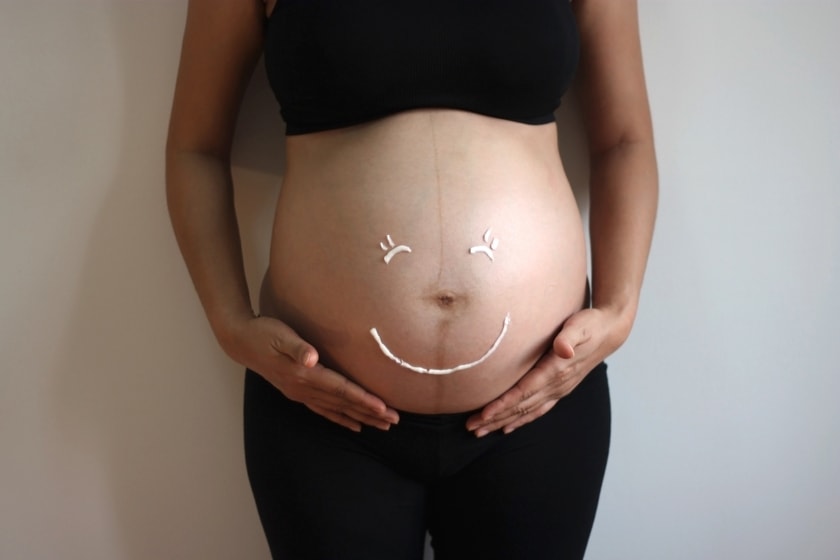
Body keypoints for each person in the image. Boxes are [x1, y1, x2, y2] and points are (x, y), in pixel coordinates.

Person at [166, 0, 657, 558]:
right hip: (322, 408)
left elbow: (625, 141)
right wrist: (230, 324)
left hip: (538, 401)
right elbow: (196, 149)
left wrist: (619, 311)